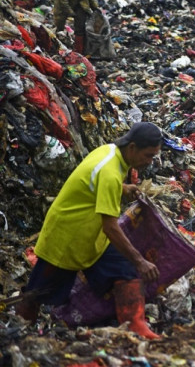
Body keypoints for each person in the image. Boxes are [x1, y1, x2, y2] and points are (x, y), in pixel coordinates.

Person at [16, 122, 164, 340]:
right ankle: (18, 331)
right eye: (148, 155)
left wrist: (122, 189)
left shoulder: (110, 152)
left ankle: (135, 326)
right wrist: (140, 260)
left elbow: (91, 183)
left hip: (92, 238)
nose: (149, 162)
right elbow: (111, 227)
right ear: (132, 147)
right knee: (37, 293)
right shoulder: (111, 172)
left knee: (124, 269)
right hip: (66, 238)